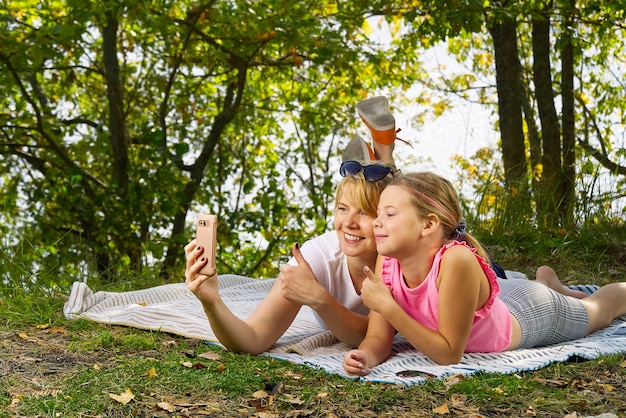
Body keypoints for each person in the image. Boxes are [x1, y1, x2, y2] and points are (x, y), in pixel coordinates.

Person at [343, 171, 626, 372]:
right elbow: (379, 338)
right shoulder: (387, 259)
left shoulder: (456, 260)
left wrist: (389, 308)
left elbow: (449, 354)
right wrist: (365, 355)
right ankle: (550, 282)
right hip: (508, 297)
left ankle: (565, 289)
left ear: (428, 225)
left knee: (599, 309)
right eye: (378, 213)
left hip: (533, 314)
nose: (376, 223)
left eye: (389, 214)